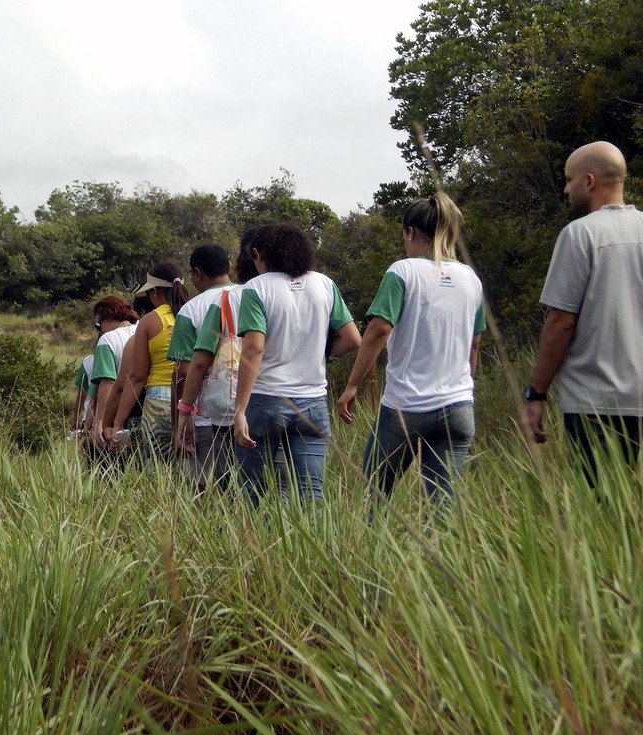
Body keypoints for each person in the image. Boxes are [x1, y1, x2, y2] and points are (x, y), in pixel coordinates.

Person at [336, 192, 486, 512]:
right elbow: (475, 343)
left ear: (410, 233)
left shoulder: (403, 271)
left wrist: (352, 386)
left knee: (374, 495)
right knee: (441, 506)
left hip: (406, 406)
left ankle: (374, 558)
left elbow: (378, 330)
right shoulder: (470, 278)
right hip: (458, 406)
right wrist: (463, 387)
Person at [521, 141, 643, 483]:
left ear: (589, 181)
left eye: (569, 179)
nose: (566, 188)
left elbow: (561, 322)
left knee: (603, 510)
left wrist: (537, 392)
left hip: (598, 404)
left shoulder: (579, 235)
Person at [234, 223, 361, 505]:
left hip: (265, 401)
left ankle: (258, 545)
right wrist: (318, 352)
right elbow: (353, 339)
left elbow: (253, 349)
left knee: (253, 494)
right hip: (313, 402)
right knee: (311, 495)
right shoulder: (325, 284)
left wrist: (240, 410)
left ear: (258, 254)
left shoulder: (256, 288)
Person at [169, 243, 237, 488]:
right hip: (253, 410)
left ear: (197, 274)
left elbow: (184, 371)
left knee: (208, 489)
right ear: (229, 266)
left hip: (207, 418)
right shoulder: (250, 295)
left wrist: (181, 416)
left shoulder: (191, 310)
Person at [106, 262, 190, 457]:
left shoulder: (150, 321)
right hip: (192, 400)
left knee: (158, 470)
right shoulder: (194, 312)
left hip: (159, 403)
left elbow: (136, 377)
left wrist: (118, 422)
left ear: (154, 292)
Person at [88, 296, 139, 449]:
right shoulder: (142, 330)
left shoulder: (108, 339)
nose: (100, 330)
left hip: (116, 412)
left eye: (98, 325)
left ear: (108, 316)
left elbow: (107, 383)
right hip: (144, 406)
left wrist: (99, 424)